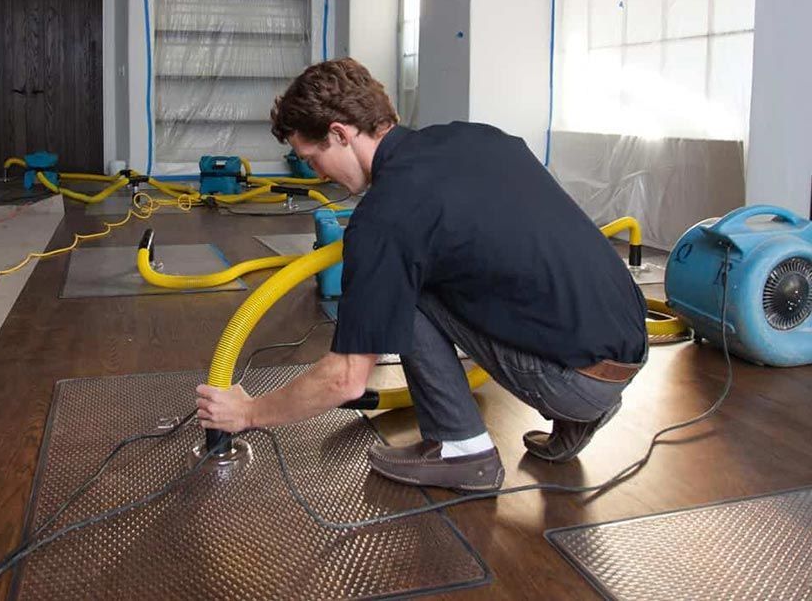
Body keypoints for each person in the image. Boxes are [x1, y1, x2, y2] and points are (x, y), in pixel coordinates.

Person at [196, 58, 648, 492]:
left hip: (577, 380)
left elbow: (346, 379)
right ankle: (582, 414)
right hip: (631, 342)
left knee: (404, 286)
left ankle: (462, 449)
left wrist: (249, 412)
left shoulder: (385, 215)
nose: (318, 174)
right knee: (452, 270)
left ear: (340, 134)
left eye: (312, 159)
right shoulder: (479, 137)